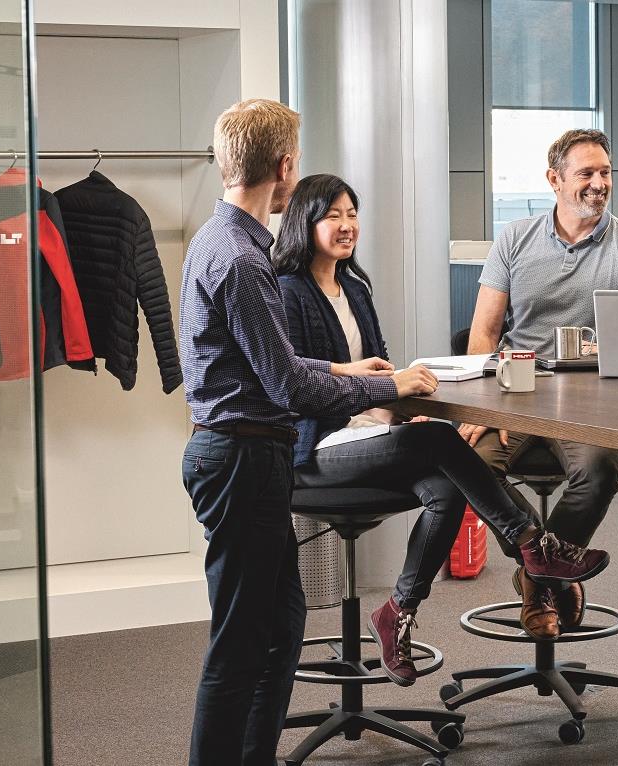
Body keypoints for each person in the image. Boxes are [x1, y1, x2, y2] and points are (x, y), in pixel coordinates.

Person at [272, 173, 610, 686]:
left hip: (367, 434)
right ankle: (533, 545)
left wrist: (402, 407)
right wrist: (387, 396)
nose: (346, 226)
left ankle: (397, 613)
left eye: (352, 214)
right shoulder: (288, 292)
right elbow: (300, 388)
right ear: (305, 222)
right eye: (332, 215)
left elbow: (381, 375)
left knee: (445, 487)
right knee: (438, 440)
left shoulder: (354, 288)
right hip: (315, 448)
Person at [179, 98, 418, 766]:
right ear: (285, 168)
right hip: (241, 458)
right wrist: (388, 386)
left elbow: (269, 364)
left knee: (281, 629)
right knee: (238, 644)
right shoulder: (246, 262)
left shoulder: (220, 240)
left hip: (246, 453)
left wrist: (339, 364)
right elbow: (288, 388)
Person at [461, 128, 618, 640]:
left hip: (590, 400)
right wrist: (482, 408)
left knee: (600, 469)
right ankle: (551, 566)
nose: (599, 183)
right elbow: (484, 332)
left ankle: (538, 581)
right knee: (463, 465)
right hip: (514, 391)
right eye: (586, 174)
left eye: (605, 173)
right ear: (554, 180)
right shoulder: (515, 238)